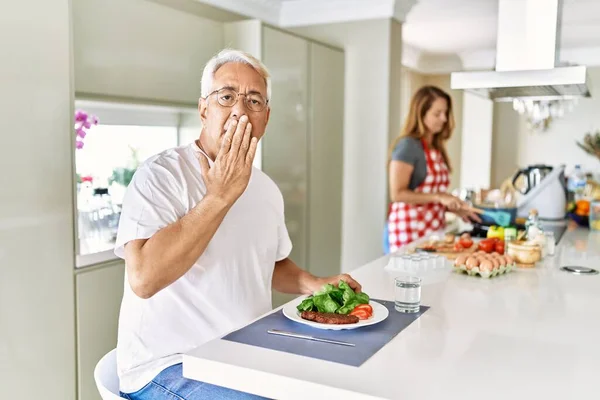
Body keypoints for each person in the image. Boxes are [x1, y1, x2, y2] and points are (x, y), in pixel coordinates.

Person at [114, 48, 362, 400]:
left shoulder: (265, 188)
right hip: (169, 366)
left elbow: (266, 264)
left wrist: (315, 283)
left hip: (244, 356)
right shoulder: (160, 175)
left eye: (254, 101)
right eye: (226, 96)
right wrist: (219, 196)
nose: (240, 110)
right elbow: (143, 278)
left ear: (266, 119)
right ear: (203, 109)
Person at [385, 85, 480, 253]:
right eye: (437, 114)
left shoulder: (436, 147)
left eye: (445, 113)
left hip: (433, 230)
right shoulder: (407, 146)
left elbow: (430, 198)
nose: (444, 118)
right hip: (409, 230)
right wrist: (439, 197)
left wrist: (453, 207)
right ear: (421, 114)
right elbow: (397, 194)